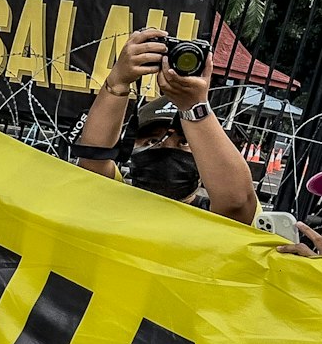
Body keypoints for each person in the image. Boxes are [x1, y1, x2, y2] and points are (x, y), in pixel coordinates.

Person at [72, 29, 258, 224]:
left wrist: (194, 108)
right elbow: (93, 159)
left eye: (184, 142)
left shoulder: (215, 219)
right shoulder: (113, 196)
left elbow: (239, 204)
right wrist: (118, 80)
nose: (168, 149)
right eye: (154, 141)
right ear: (132, 145)